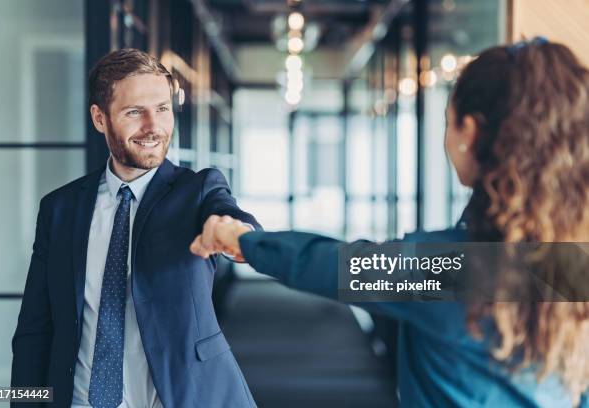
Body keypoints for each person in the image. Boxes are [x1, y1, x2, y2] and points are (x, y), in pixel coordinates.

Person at [191, 38, 589, 407]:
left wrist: (243, 240)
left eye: (447, 120)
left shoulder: (458, 270)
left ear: (469, 130)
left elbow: (337, 265)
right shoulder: (576, 265)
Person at [11, 49, 260, 408]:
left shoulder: (198, 191)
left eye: (162, 109)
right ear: (100, 118)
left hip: (182, 397)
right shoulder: (60, 209)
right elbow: (35, 330)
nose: (153, 127)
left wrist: (237, 235)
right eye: (134, 112)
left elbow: (232, 217)